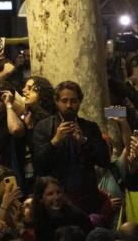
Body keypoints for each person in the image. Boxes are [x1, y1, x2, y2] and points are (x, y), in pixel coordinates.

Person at [31, 81, 110, 215]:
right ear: (56, 102)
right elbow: (38, 165)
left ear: (79, 102)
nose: (69, 105)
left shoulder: (90, 127)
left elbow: (104, 160)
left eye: (73, 101)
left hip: (86, 198)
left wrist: (84, 141)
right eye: (64, 101)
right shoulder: (43, 127)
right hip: (56, 198)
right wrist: (55, 141)